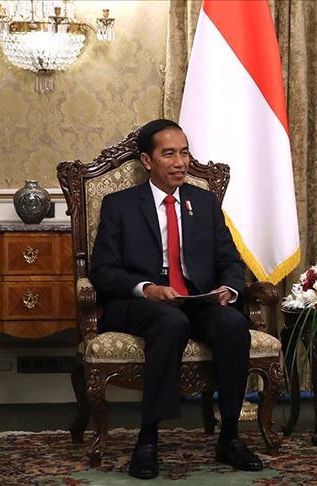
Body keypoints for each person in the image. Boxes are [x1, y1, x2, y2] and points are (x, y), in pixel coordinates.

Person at [90, 119, 262, 479]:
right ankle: (148, 441)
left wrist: (228, 289)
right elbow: (103, 270)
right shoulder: (119, 205)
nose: (180, 162)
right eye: (169, 154)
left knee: (233, 324)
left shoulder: (205, 202)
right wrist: (146, 289)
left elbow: (230, 261)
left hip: (197, 300)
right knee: (170, 321)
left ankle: (230, 436)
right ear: (147, 161)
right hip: (142, 304)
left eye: (184, 153)